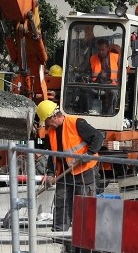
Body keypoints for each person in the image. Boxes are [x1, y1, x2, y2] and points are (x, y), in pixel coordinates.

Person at [35, 100, 104, 240]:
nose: (46, 125)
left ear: (54, 116)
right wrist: (49, 174)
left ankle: (85, 240)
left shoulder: (76, 123)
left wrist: (88, 155)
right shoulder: (52, 131)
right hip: (64, 173)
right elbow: (52, 155)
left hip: (84, 172)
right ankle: (59, 238)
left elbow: (98, 137)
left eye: (47, 121)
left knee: (84, 206)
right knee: (61, 205)